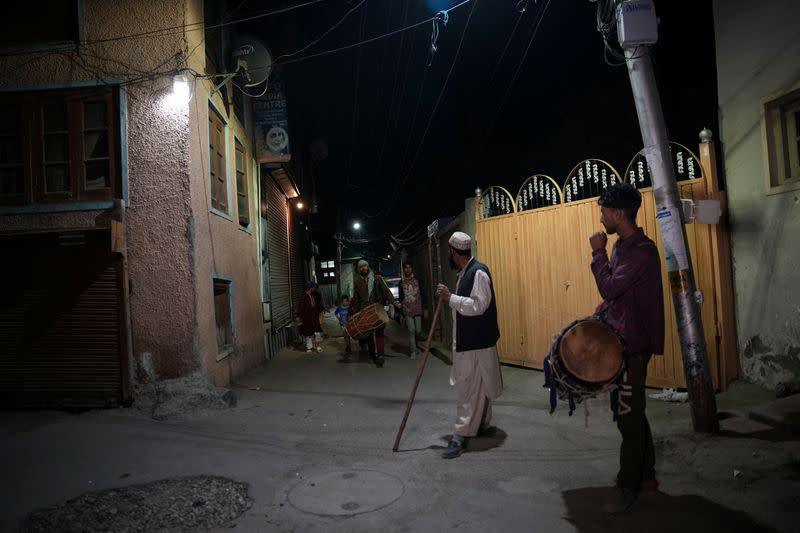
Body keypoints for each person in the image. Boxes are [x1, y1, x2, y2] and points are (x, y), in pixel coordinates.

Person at [589, 183, 664, 513]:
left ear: (618, 214)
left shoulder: (641, 251)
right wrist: (605, 308)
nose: (601, 217)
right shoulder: (625, 247)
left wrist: (597, 251)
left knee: (627, 419)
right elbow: (616, 293)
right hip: (622, 341)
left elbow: (609, 283)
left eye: (604, 211)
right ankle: (647, 477)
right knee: (633, 413)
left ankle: (627, 486)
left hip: (633, 346)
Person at [435, 232, 503, 459]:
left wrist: (450, 298)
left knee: (468, 388)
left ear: (454, 253)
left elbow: (478, 306)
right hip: (473, 340)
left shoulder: (478, 272)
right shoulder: (466, 272)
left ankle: (460, 436)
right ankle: (482, 422)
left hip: (475, 343)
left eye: (449, 253)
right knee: (480, 384)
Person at [350, 259, 401, 368]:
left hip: (378, 309)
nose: (364, 268)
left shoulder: (377, 279)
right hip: (365, 311)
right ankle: (372, 353)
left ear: (368, 267)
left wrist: (394, 302)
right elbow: (356, 299)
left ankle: (381, 355)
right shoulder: (357, 281)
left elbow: (386, 291)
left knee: (379, 333)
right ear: (359, 269)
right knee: (368, 334)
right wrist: (355, 313)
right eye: (361, 267)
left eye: (365, 266)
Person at [398, 261, 426, 359]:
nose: (408, 269)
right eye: (406, 267)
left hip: (417, 308)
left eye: (409, 267)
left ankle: (416, 345)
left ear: (412, 269)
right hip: (407, 309)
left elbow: (423, 293)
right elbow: (401, 298)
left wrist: (425, 308)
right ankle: (413, 351)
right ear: (403, 269)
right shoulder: (401, 282)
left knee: (418, 331)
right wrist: (401, 313)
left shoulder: (417, 280)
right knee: (411, 331)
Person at [296, 281, 325, 353]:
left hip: (314, 318)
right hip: (307, 319)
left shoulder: (312, 296)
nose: (314, 289)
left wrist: (324, 308)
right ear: (310, 288)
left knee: (317, 332)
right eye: (313, 288)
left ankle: (317, 346)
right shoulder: (303, 298)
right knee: (308, 334)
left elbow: (317, 305)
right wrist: (298, 316)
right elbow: (300, 308)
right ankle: (309, 347)